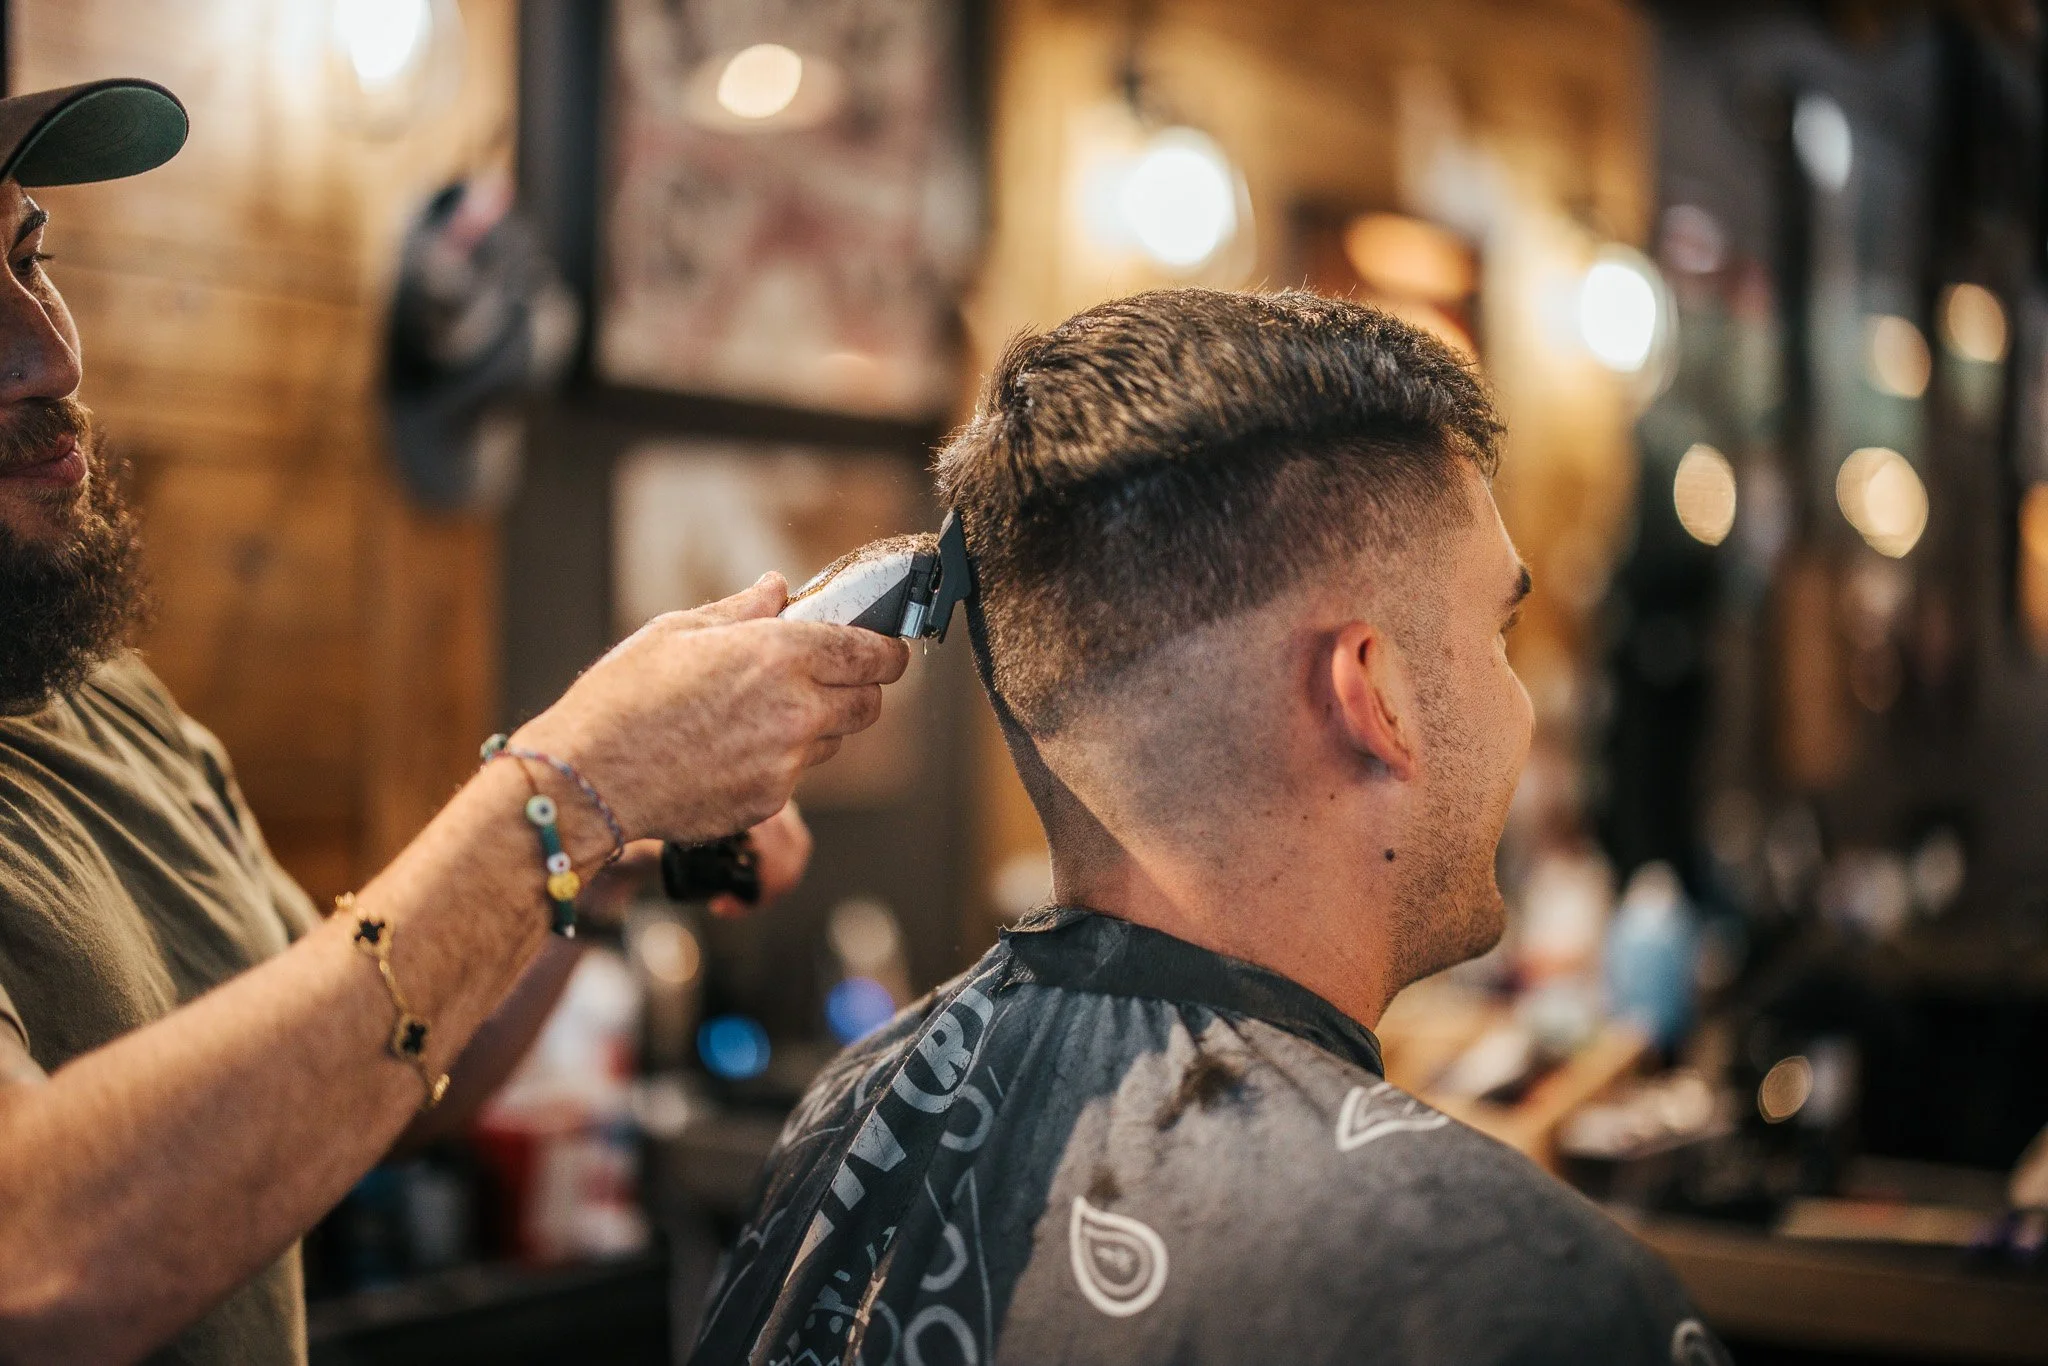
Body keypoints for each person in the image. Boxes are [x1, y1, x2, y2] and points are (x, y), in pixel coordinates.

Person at [0, 80, 909, 1364]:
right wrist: (568, 785)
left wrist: (591, 865)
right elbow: (31, 1255)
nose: (50, 351)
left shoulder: (100, 701)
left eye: (31, 257)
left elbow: (360, 1071)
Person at [689, 290, 1730, 1365]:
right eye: (1498, 629)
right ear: (1372, 692)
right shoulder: (1528, 1302)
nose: (1520, 705)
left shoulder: (849, 1113)